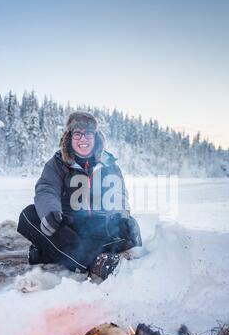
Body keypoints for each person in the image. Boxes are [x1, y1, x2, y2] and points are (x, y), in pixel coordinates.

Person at [17, 111, 142, 280]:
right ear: (69, 137)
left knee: (131, 226)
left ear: (96, 137)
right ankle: (91, 262)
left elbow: (119, 195)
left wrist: (119, 215)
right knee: (29, 215)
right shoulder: (57, 163)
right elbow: (47, 188)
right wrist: (50, 212)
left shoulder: (109, 164)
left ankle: (51, 253)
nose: (83, 139)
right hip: (69, 228)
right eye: (78, 133)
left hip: (101, 227)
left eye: (88, 133)